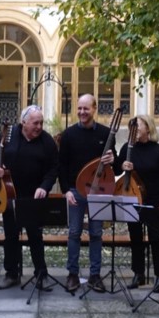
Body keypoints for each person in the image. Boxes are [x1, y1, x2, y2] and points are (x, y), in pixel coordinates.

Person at [0, 105, 59, 290]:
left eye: (41, 122)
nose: (39, 126)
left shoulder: (47, 141)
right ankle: (12, 274)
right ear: (24, 122)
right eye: (35, 123)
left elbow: (53, 169)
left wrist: (44, 187)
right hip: (9, 194)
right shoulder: (9, 135)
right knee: (10, 236)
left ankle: (41, 275)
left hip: (34, 196)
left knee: (36, 236)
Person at [58, 94, 116, 293]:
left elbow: (111, 168)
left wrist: (112, 159)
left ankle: (95, 275)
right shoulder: (68, 135)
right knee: (74, 233)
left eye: (86, 108)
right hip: (75, 190)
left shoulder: (107, 134)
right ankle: (72, 274)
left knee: (96, 234)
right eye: (79, 108)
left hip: (98, 191)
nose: (82, 112)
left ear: (94, 109)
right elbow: (61, 166)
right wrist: (66, 191)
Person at [113, 115, 159, 290]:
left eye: (137, 126)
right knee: (135, 238)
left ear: (148, 127)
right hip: (133, 198)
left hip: (153, 200)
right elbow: (116, 170)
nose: (134, 130)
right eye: (132, 128)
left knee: (155, 239)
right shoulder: (128, 147)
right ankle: (138, 274)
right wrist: (122, 165)